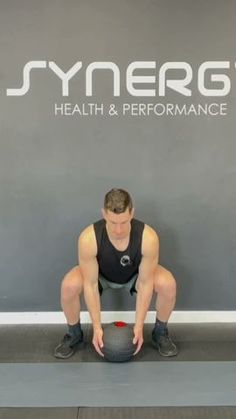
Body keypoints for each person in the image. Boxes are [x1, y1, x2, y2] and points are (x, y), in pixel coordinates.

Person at [54, 188, 178, 359]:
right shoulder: (88, 239)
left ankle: (160, 333)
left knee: (168, 284)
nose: (118, 230)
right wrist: (97, 327)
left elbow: (145, 282)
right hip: (100, 276)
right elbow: (90, 284)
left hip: (134, 277)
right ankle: (74, 334)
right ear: (104, 214)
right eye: (113, 222)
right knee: (69, 285)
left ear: (132, 213)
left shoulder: (148, 238)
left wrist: (139, 326)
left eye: (124, 222)